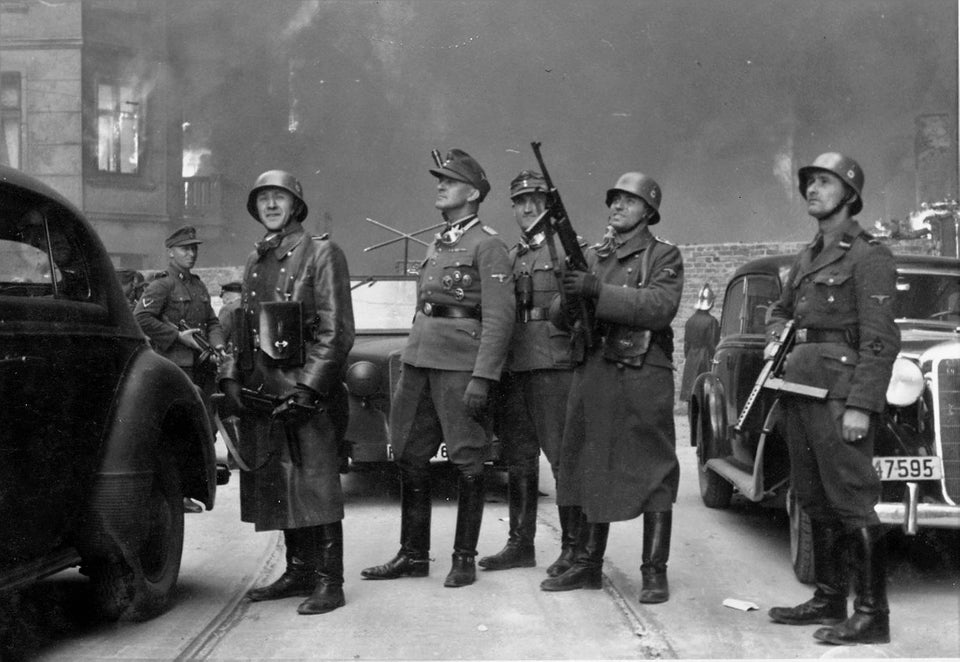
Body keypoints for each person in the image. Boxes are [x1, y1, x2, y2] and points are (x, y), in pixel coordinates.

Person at [361, 149, 514, 588]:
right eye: (440, 180)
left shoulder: (488, 245)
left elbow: (500, 320)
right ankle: (413, 555)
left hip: (460, 367)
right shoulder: (441, 241)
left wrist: (483, 377)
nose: (440, 187)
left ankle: (463, 558)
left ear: (472, 193)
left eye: (448, 182)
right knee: (410, 454)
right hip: (419, 361)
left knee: (468, 459)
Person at [766, 153, 899, 646]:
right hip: (800, 390)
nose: (813, 191)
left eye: (824, 183)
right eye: (810, 183)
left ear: (849, 193)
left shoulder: (868, 256)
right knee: (814, 497)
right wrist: (775, 335)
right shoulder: (806, 257)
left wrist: (863, 404)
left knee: (852, 500)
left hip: (841, 394)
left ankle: (871, 614)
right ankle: (828, 598)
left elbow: (881, 339)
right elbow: (780, 313)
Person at [540, 171, 683, 605]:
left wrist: (596, 290)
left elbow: (659, 307)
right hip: (596, 369)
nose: (616, 206)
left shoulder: (662, 255)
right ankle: (587, 564)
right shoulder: (593, 255)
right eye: (614, 200)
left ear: (648, 211)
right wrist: (569, 296)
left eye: (627, 200)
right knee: (590, 464)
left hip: (642, 372)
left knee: (653, 470)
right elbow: (555, 315)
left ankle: (654, 573)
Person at [218, 170, 354, 615]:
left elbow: (336, 333)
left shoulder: (321, 253)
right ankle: (298, 571)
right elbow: (244, 326)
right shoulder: (258, 260)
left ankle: (329, 582)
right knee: (280, 483)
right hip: (263, 389)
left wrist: (309, 388)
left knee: (316, 484)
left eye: (279, 198)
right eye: (263, 200)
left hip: (304, 392)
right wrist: (232, 376)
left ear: (296, 205)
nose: (271, 206)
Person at [478, 170, 578, 576]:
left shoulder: (568, 251)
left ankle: (574, 548)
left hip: (554, 365)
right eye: (520, 202)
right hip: (516, 367)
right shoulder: (514, 256)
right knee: (518, 459)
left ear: (549, 203)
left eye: (536, 199)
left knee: (562, 458)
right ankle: (520, 545)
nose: (528, 207)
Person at [134, 225, 225, 514]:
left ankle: (193, 488)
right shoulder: (162, 285)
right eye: (185, 248)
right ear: (170, 252)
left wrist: (218, 345)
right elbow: (141, 318)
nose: (191, 253)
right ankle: (177, 495)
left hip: (202, 368)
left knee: (205, 429)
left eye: (194, 248)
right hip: (177, 369)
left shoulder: (198, 286)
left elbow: (211, 321)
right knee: (178, 431)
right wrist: (176, 337)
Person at [679, 283, 720, 402]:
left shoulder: (690, 321)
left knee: (692, 391)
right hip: (704, 357)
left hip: (691, 357)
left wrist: (690, 356)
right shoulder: (711, 321)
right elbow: (712, 344)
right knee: (703, 392)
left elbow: (686, 345)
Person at [218, 281, 243, 351]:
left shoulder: (227, 309)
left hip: (233, 354)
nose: (223, 301)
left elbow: (221, 334)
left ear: (226, 295)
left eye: (222, 297)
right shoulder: (249, 306)